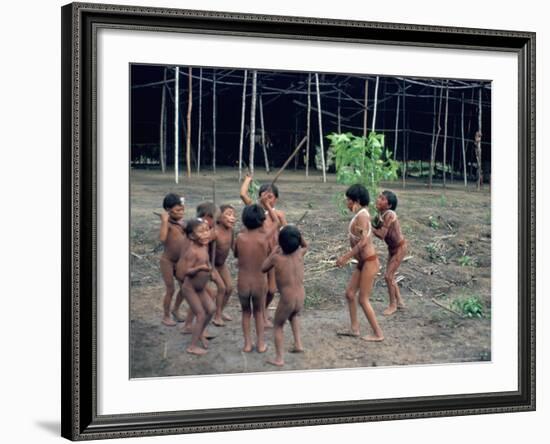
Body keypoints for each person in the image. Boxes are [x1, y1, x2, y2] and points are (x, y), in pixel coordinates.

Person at [335, 184, 384, 342]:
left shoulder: (362, 216)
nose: (347, 203)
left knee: (363, 299)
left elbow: (363, 243)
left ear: (356, 201)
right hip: (363, 262)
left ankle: (378, 333)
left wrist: (345, 257)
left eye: (348, 200)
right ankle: (355, 329)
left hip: (369, 261)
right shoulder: (361, 215)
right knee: (350, 294)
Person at [240, 173, 287, 327]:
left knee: (272, 290)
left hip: (273, 255)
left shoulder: (278, 214)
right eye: (264, 196)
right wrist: (248, 180)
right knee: (263, 286)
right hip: (259, 256)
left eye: (271, 197)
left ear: (276, 199)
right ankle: (261, 315)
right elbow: (242, 194)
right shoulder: (255, 211)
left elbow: (284, 231)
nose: (268, 199)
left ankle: (262, 310)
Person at [234, 202, 281, 353]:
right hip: (259, 283)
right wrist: (267, 204)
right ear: (262, 221)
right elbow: (277, 222)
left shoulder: (240, 237)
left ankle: (247, 344)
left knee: (246, 313)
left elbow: (235, 254)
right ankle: (260, 344)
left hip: (243, 282)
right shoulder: (265, 238)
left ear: (244, 220)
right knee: (259, 313)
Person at [261, 225, 306, 367]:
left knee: (278, 325)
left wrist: (274, 250)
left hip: (287, 299)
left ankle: (279, 358)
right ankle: (298, 344)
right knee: (294, 316)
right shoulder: (300, 253)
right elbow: (306, 245)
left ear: (280, 243)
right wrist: (299, 237)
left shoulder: (276, 258)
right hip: (300, 296)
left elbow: (263, 268)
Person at [176, 218, 215, 356]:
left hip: (200, 288)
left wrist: (209, 269)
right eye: (201, 232)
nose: (206, 234)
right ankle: (192, 347)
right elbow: (186, 271)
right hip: (190, 288)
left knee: (211, 310)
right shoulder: (192, 251)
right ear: (192, 236)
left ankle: (199, 333)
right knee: (200, 314)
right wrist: (200, 268)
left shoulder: (204, 246)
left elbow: (206, 260)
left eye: (207, 230)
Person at [372, 190, 407, 316]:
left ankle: (393, 305)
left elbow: (381, 234)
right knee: (390, 276)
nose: (378, 200)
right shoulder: (380, 214)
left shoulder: (390, 214)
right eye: (379, 197)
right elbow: (375, 227)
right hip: (392, 249)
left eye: (382, 199)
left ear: (389, 205)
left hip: (399, 248)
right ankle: (400, 302)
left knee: (388, 276)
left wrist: (368, 227)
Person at [158, 193, 186, 327]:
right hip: (168, 262)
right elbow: (162, 239)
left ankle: (175, 309)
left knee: (186, 287)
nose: (181, 212)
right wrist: (164, 221)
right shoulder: (167, 224)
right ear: (168, 210)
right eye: (178, 210)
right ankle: (166, 316)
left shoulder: (181, 224)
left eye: (182, 209)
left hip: (180, 262)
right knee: (170, 289)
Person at [212, 204, 237, 326]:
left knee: (230, 287)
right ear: (219, 217)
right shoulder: (214, 231)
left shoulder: (231, 231)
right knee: (221, 288)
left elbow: (234, 248)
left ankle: (220, 311)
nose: (232, 217)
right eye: (228, 214)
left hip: (221, 265)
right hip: (210, 264)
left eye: (233, 215)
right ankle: (216, 316)